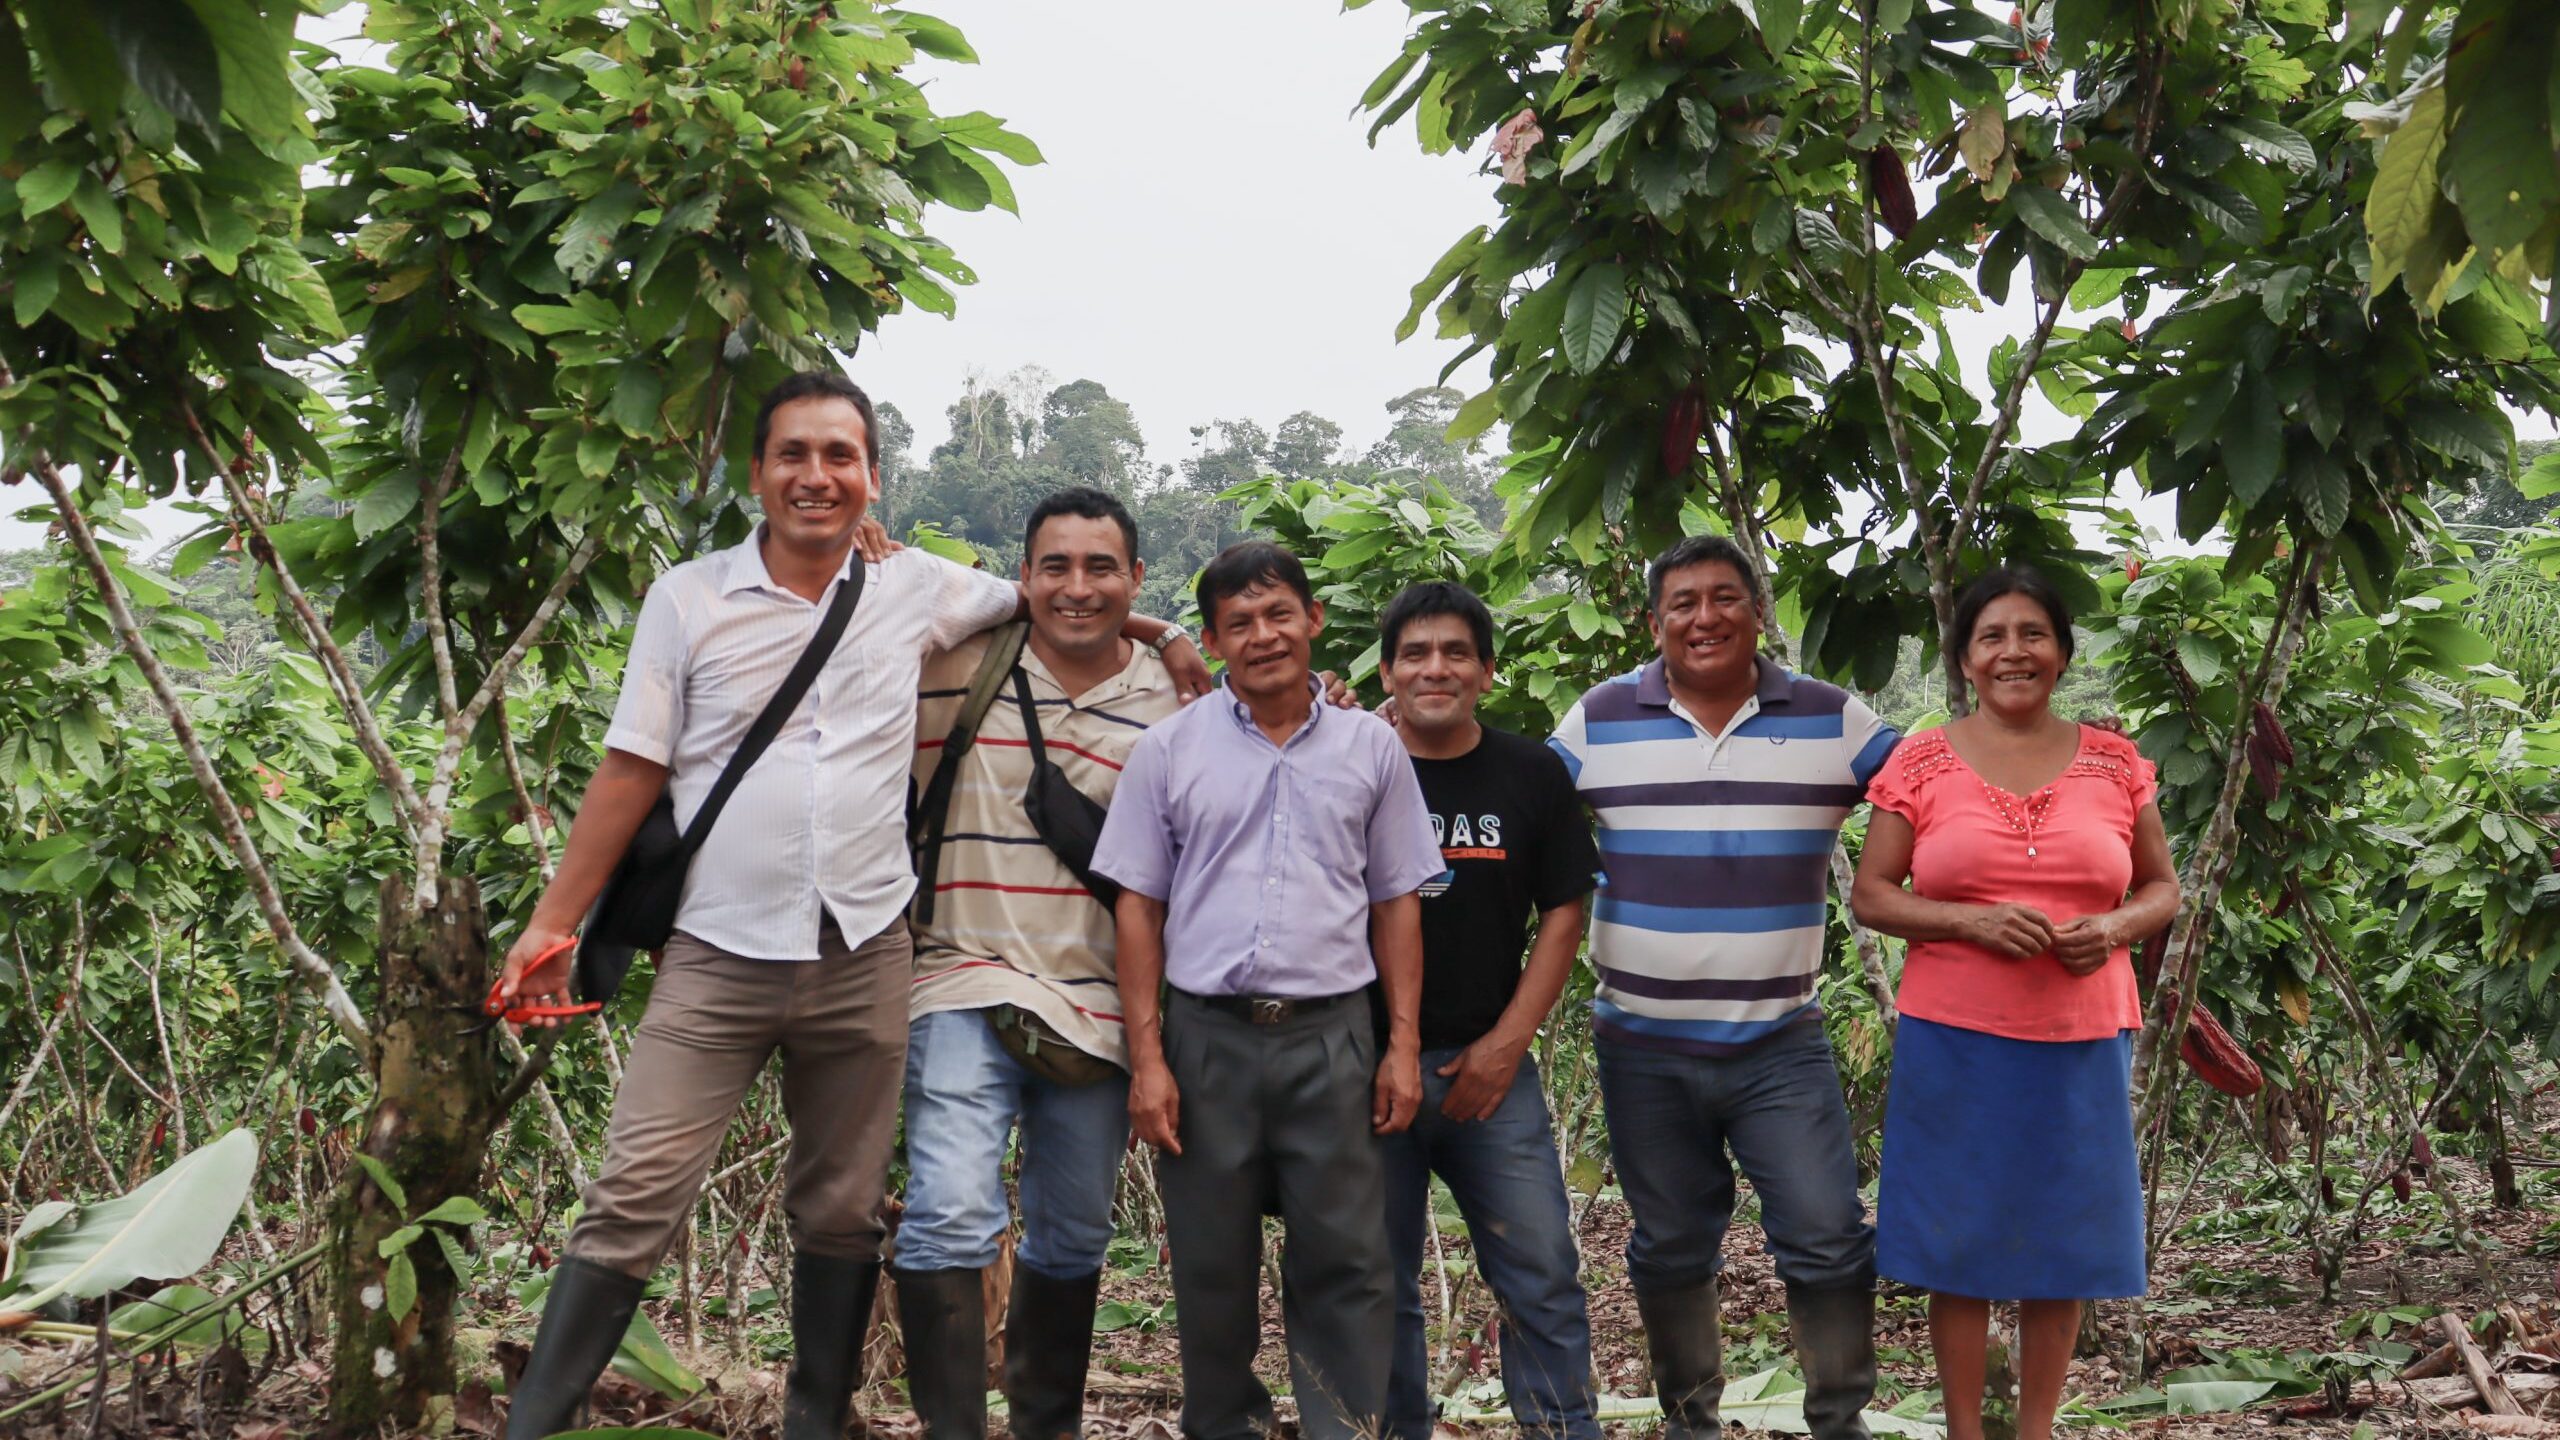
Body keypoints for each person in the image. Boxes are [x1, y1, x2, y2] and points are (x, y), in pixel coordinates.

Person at [491, 371, 1207, 1440]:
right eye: (794, 455)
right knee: (633, 1198)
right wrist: (553, 923)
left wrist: (1164, 636)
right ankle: (532, 1426)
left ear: (873, 478)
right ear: (758, 474)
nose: (815, 477)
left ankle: (814, 1421)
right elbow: (632, 767)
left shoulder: (920, 588)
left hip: (863, 955)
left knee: (838, 1212)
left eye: (840, 458)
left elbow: (1062, 601)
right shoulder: (687, 597)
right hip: (715, 953)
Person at [1547, 534, 1898, 1440]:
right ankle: (1689, 1423)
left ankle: (1839, 1422)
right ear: (1654, 619)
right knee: (1670, 1243)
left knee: (1826, 1234)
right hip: (1640, 1044)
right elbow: (1521, 811)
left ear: (1755, 606)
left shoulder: (1831, 719)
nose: (1704, 618)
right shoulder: (1599, 718)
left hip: (1779, 1040)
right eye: (1683, 603)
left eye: (1724, 597)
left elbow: (1933, 789)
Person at [1091, 539, 1444, 1440]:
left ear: (1314, 620)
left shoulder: (1373, 748)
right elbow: (1138, 908)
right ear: (1211, 640)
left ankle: (1343, 1429)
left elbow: (1397, 901)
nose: (1263, 635)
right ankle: (1224, 1428)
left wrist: (1401, 1046)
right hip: (1206, 1037)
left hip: (1333, 1038)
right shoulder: (1168, 751)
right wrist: (1148, 1061)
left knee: (1347, 1264)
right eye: (1238, 623)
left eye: (1279, 612)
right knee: (1211, 1265)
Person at [1849, 566, 2177, 1440]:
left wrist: (2110, 932)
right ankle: (1965, 1431)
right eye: (1991, 636)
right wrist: (1968, 922)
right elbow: (1873, 895)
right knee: (1959, 1245)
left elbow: (2161, 890)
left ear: (2063, 654)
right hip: (1953, 1039)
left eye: (2033, 633)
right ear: (1965, 658)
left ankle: (2036, 1430)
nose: (2013, 651)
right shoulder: (1920, 759)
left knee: (2061, 1241)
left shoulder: (2115, 762)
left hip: (2082, 1034)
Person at [895, 488, 1183, 1440]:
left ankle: (1044, 1428)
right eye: (1053, 566)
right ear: (1020, 578)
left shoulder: (1177, 701)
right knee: (945, 1219)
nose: (1077, 586)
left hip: (1101, 1011)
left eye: (1102, 568)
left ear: (1136, 578)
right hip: (959, 979)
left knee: (1074, 1237)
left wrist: (1172, 636)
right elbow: (860, 604)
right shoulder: (953, 667)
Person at [1369, 581, 1603, 1440]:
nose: (1436, 669)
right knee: (1377, 1284)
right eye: (1416, 653)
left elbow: (1565, 911)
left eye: (1456, 652)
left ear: (1487, 672)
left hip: (1489, 1074)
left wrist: (1507, 1045)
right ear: (1388, 670)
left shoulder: (1530, 771)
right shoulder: (1351, 760)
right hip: (1364, 1077)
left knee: (1540, 1268)